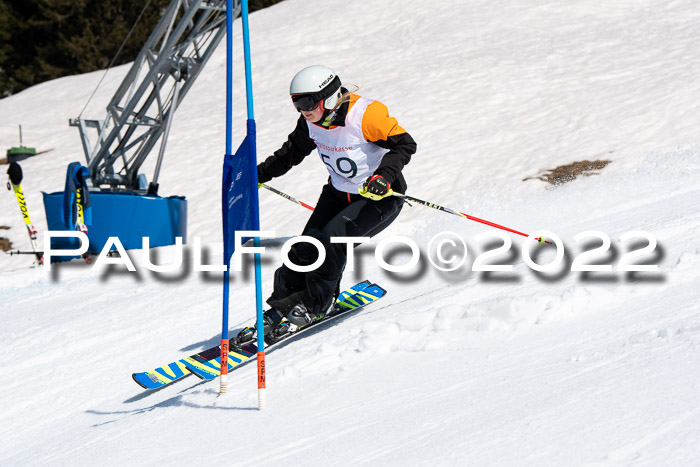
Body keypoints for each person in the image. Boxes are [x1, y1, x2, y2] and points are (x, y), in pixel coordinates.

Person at [236, 65, 416, 343]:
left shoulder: (366, 114)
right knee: (305, 248)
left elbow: (404, 145)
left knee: (332, 242)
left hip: (379, 198)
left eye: (307, 102)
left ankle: (317, 306)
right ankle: (282, 307)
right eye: (296, 102)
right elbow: (291, 153)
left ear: (329, 96)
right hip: (337, 194)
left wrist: (384, 176)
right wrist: (257, 175)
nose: (302, 109)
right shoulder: (310, 121)